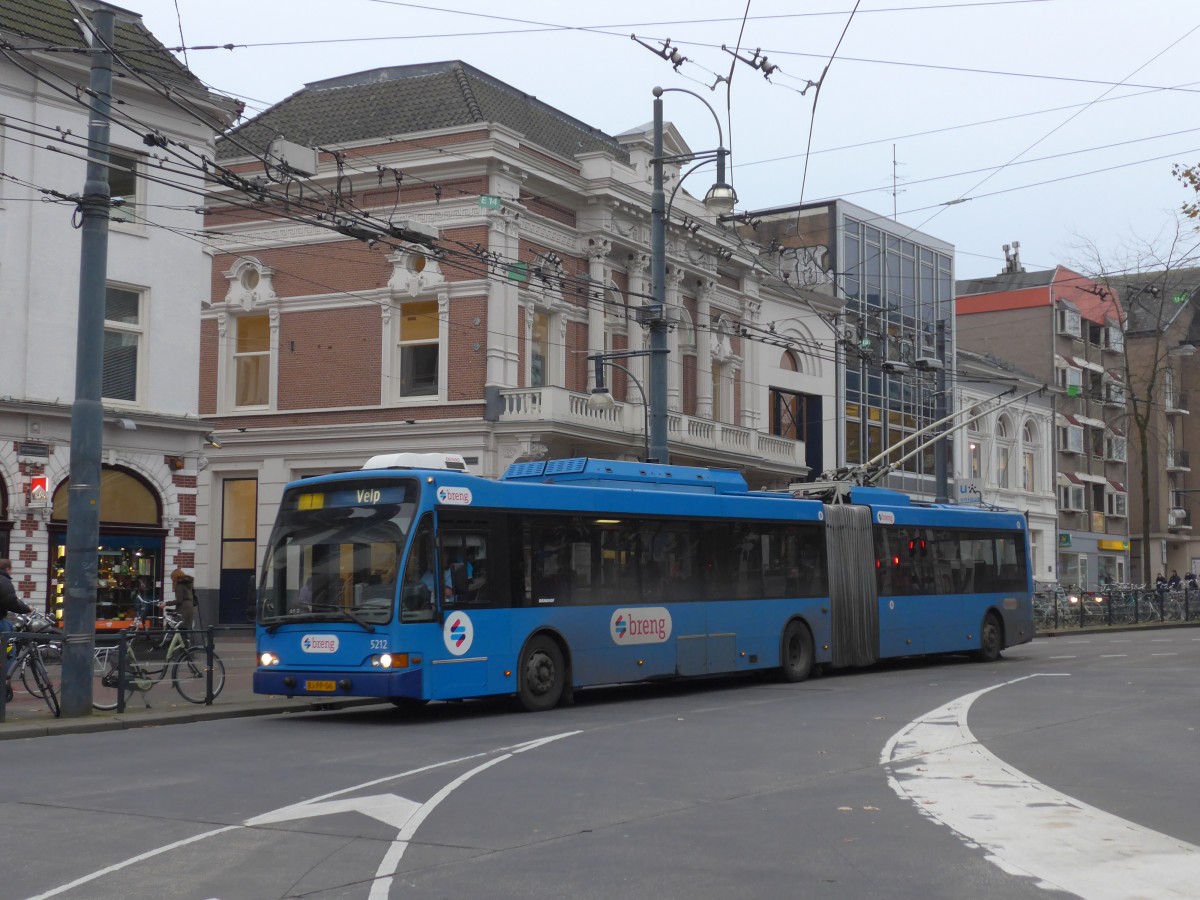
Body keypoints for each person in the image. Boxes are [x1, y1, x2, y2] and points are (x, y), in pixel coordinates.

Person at [170, 566, 197, 632]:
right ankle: (185, 641)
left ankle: (182, 642)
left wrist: (166, 603)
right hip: (190, 608)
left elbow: (179, 600)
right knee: (184, 630)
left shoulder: (180, 586)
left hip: (183, 610)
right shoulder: (188, 584)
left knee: (179, 629)